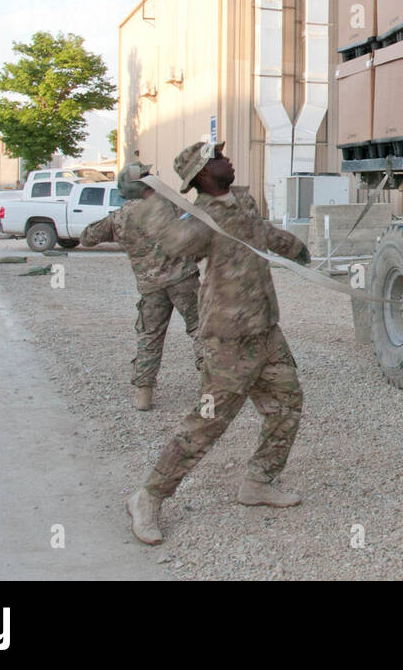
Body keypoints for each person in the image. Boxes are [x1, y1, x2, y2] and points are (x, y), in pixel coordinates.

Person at [125, 141, 311, 546]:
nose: (226, 158)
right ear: (202, 176)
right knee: (207, 423)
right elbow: (174, 244)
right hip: (228, 338)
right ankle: (149, 496)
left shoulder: (241, 203)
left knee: (286, 405)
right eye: (216, 158)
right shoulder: (201, 219)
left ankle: (258, 482)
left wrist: (294, 247)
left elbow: (261, 234)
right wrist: (153, 201)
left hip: (265, 329)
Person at [80, 163, 202, 411]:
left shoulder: (120, 217)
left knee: (149, 336)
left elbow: (87, 237)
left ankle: (143, 395)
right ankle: (213, 389)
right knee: (201, 328)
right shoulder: (169, 205)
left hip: (150, 286)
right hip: (182, 280)